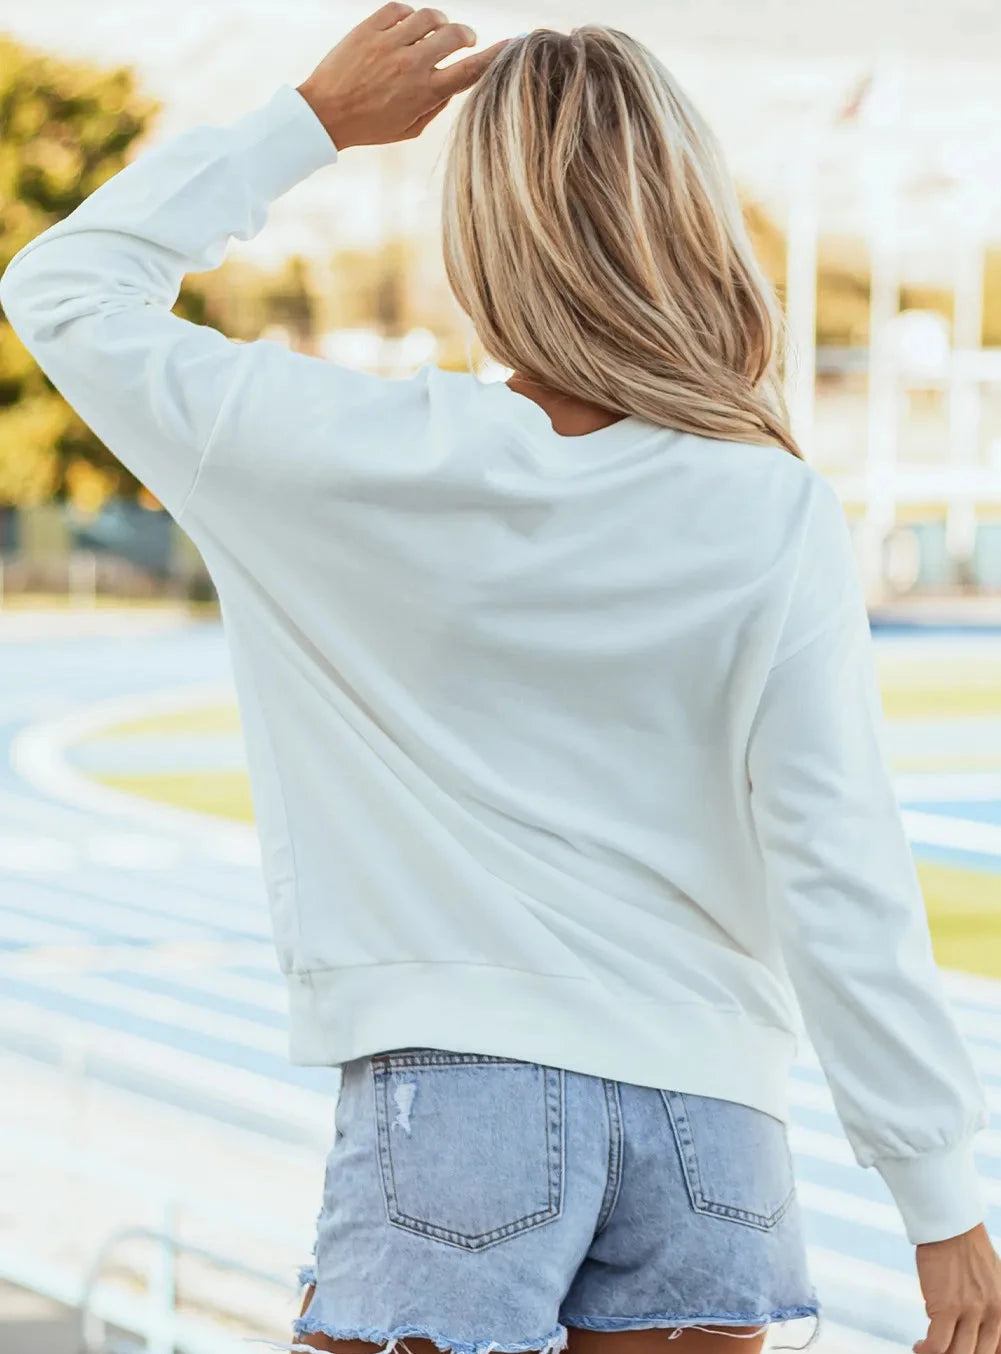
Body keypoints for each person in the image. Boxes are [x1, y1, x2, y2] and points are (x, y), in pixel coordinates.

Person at [2, 7, 999, 1354]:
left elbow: (61, 291)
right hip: (714, 1129)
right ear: (684, 215)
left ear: (480, 232)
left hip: (453, 1116)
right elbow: (837, 860)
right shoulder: (771, 507)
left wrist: (311, 120)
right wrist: (939, 1204)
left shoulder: (348, 453)